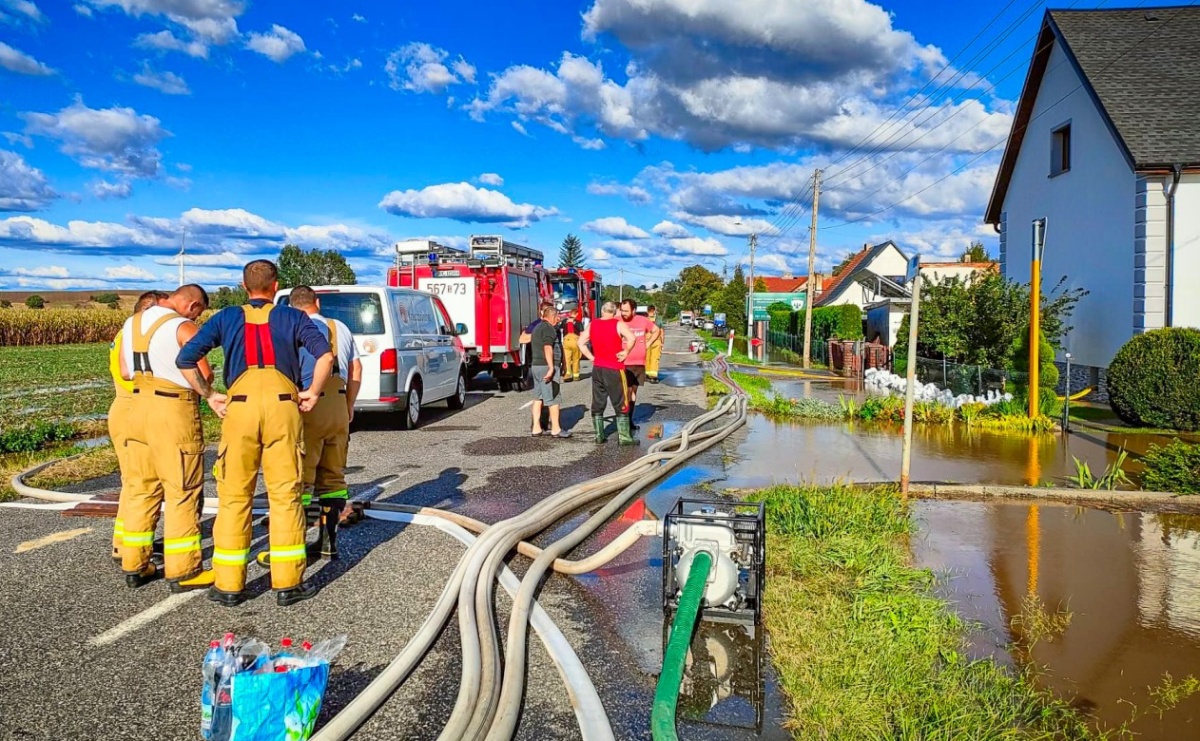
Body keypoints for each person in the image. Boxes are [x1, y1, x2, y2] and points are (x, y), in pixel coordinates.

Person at [177, 260, 333, 608]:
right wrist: (313, 392)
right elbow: (325, 356)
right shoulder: (293, 317)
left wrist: (210, 396)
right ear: (276, 286)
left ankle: (230, 585)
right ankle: (288, 584)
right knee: (286, 496)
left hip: (240, 409)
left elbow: (186, 359)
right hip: (283, 408)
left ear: (243, 286)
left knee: (234, 497)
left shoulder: (226, 317)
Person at [119, 285, 215, 593]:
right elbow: (202, 370)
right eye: (199, 311)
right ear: (192, 306)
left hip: (137, 408)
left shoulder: (131, 323)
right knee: (182, 490)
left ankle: (135, 564)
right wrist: (208, 391)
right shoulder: (182, 326)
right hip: (172, 410)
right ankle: (184, 569)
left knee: (140, 489)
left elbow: (124, 370)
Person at [257, 285, 362, 565]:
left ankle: (292, 545)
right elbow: (356, 370)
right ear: (317, 302)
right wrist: (349, 405)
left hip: (305, 404)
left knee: (299, 480)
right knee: (333, 478)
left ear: (291, 306)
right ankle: (328, 543)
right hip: (337, 406)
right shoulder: (339, 327)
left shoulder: (289, 326)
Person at [108, 290, 168, 564]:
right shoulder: (134, 336)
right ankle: (128, 546)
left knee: (134, 482)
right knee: (139, 484)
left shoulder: (125, 333)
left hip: (125, 406)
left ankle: (126, 542)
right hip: (134, 405)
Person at [578, 301, 636, 445]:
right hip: (614, 368)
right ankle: (624, 437)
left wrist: (592, 357)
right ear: (615, 312)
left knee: (598, 401)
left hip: (598, 369)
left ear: (602, 311)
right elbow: (632, 338)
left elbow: (580, 343)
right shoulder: (618, 324)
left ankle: (599, 435)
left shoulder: (593, 324)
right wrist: (626, 351)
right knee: (620, 401)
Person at [617, 298, 661, 429]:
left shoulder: (642, 321)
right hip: (623, 362)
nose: (623, 313)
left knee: (633, 391)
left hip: (638, 363)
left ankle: (629, 419)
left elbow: (656, 331)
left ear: (634, 310)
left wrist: (648, 344)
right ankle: (623, 421)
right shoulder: (617, 320)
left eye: (626, 311)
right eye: (622, 310)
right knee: (626, 391)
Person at [530, 304, 570, 438]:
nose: (558, 320)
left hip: (536, 366)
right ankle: (556, 429)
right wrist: (551, 367)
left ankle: (536, 428)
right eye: (557, 317)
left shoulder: (536, 328)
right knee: (553, 397)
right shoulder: (549, 329)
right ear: (552, 316)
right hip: (546, 366)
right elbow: (548, 347)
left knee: (538, 398)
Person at [561, 307, 583, 382]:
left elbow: (560, 329)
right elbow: (582, 333)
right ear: (576, 314)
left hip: (566, 341)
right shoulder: (578, 322)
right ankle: (576, 375)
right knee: (576, 359)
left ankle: (568, 374)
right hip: (575, 341)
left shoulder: (564, 321)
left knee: (567, 359)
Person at [645, 304, 664, 384]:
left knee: (646, 358)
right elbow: (662, 332)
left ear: (647, 311)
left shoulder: (645, 320)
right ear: (654, 311)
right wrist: (662, 342)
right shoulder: (659, 320)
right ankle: (653, 377)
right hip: (657, 341)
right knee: (655, 358)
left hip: (646, 341)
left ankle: (646, 375)